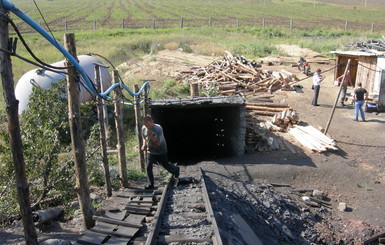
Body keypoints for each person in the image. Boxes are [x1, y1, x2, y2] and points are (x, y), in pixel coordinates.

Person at [141, 115, 179, 190]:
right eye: (146, 125)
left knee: (164, 164)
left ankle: (175, 169)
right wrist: (144, 145)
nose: (147, 127)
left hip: (161, 150)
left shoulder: (158, 128)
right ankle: (150, 184)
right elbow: (144, 138)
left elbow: (158, 143)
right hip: (151, 151)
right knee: (148, 167)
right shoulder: (144, 128)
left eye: (148, 125)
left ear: (152, 122)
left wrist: (151, 135)